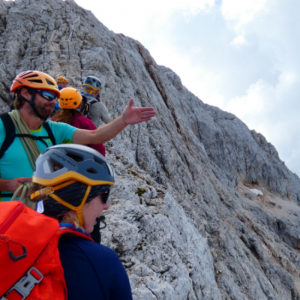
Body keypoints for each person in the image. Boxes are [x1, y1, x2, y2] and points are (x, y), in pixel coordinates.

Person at [0, 70, 156, 201]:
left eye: (56, 98)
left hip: (40, 217)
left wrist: (123, 121)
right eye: (48, 95)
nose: (54, 102)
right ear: (26, 94)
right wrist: (7, 185)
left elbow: (95, 136)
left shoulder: (53, 129)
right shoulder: (3, 127)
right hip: (6, 219)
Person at [29, 144, 133, 300]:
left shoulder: (11, 236)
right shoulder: (102, 261)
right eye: (103, 195)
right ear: (78, 197)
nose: (106, 206)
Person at [52, 87, 106, 156]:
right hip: (78, 163)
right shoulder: (85, 123)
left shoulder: (52, 121)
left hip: (54, 161)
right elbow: (99, 149)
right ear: (79, 105)